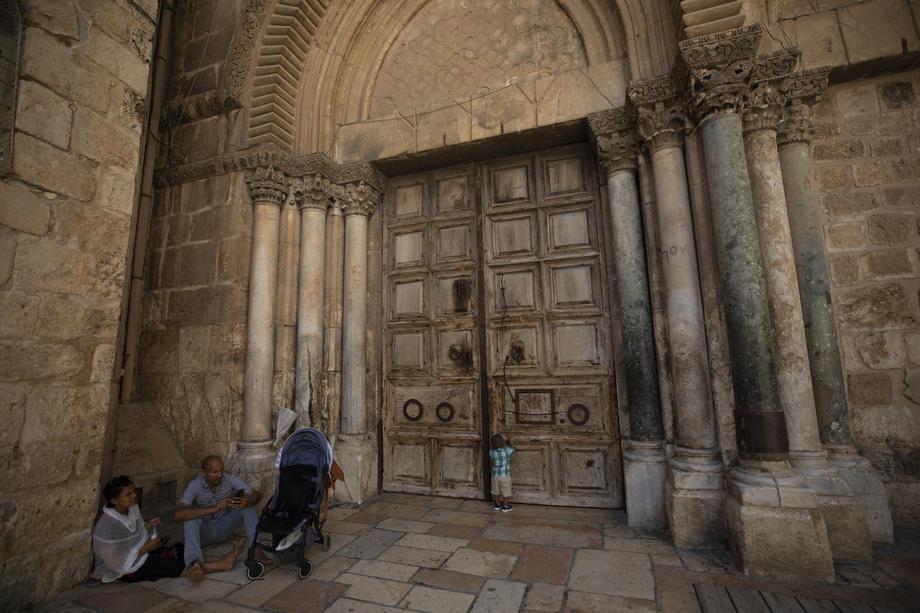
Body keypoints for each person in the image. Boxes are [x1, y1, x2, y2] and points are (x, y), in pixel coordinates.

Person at [92, 476, 242, 583]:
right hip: (126, 568)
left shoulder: (130, 508)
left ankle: (219, 559)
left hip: (140, 553)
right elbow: (115, 562)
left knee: (178, 550)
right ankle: (221, 565)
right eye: (128, 495)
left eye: (133, 491)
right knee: (169, 564)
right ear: (114, 500)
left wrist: (148, 525)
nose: (134, 496)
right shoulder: (109, 526)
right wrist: (145, 548)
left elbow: (131, 530)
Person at [175, 455, 269, 572]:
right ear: (204, 472)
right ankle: (195, 562)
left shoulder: (228, 479)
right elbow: (178, 514)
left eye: (221, 470)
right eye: (215, 472)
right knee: (190, 519)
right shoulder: (195, 485)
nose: (219, 475)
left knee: (247, 507)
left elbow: (257, 495)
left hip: (223, 528)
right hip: (205, 533)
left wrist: (246, 502)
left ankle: (255, 548)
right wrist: (213, 509)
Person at [489, 433, 515, 512]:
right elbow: (512, 449)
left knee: (496, 490)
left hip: (495, 476)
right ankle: (505, 505)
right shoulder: (506, 450)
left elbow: (491, 458)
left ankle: (497, 504)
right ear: (502, 442)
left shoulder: (492, 452)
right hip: (505, 476)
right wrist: (508, 441)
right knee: (506, 490)